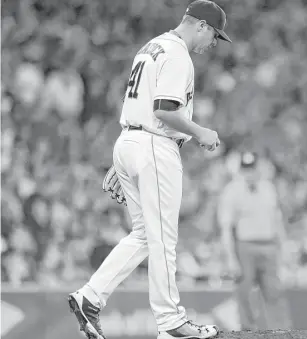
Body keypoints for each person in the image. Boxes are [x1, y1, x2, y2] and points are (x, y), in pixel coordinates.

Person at [67, 1, 231, 339]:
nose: (213, 43)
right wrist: (201, 132)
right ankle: (171, 322)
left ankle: (90, 297)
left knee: (144, 234)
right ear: (200, 25)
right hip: (153, 145)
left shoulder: (151, 47)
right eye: (214, 35)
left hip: (131, 141)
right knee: (163, 238)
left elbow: (143, 106)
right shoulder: (177, 54)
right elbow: (164, 109)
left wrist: (126, 156)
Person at [217, 151, 292, 331]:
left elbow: (277, 221)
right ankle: (248, 331)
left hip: (269, 245)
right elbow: (226, 228)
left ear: (258, 168)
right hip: (245, 247)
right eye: (246, 169)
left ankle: (282, 332)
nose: (249, 173)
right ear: (241, 170)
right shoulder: (232, 191)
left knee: (274, 292)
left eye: (252, 168)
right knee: (244, 293)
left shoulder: (268, 188)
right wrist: (230, 258)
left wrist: (285, 247)